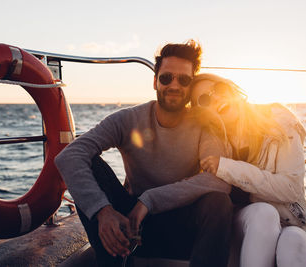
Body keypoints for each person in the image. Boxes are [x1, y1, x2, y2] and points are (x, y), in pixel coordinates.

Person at [55, 41, 233, 267]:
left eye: (184, 79)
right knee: (88, 161)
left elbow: (220, 182)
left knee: (218, 202)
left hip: (180, 230)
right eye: (166, 78)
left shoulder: (204, 124)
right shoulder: (129, 119)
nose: (174, 85)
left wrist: (148, 201)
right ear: (155, 81)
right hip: (131, 226)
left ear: (191, 85)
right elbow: (69, 156)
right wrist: (103, 211)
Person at [190, 73, 306, 267]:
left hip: (292, 223)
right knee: (263, 213)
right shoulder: (209, 140)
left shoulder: (278, 120)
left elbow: (292, 188)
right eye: (205, 99)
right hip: (247, 225)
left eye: (219, 89)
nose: (216, 98)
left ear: (231, 89)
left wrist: (227, 167)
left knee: (292, 241)